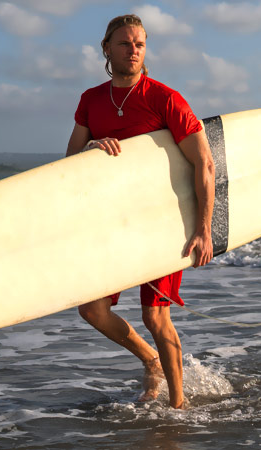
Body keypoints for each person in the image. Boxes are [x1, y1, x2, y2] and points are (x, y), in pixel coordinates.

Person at [66, 14, 215, 410]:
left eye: (140, 44)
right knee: (92, 310)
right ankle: (151, 361)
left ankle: (178, 407)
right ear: (107, 48)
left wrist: (203, 229)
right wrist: (92, 147)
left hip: (161, 222)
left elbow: (204, 163)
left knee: (155, 317)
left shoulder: (165, 98)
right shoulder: (91, 100)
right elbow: (69, 162)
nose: (133, 50)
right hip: (112, 223)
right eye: (125, 43)